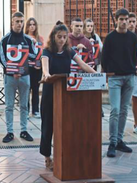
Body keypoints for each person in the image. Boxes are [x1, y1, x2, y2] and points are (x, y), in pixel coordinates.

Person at [40, 21, 96, 170]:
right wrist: (46, 74)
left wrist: (98, 76)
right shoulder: (47, 51)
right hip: (50, 93)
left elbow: (83, 64)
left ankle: (63, 155)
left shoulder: (69, 51)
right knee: (48, 125)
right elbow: (45, 68)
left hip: (65, 93)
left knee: (64, 125)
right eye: (59, 37)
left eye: (65, 37)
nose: (62, 40)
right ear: (53, 37)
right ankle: (47, 156)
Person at [101, 8, 137, 158]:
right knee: (115, 110)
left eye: (126, 19)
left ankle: (119, 140)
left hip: (129, 77)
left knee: (124, 110)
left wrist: (131, 71)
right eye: (121, 19)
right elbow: (104, 59)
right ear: (116, 20)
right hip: (115, 78)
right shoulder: (110, 38)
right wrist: (109, 73)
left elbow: (134, 56)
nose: (124, 22)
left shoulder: (132, 37)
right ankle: (112, 142)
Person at [0, 12, 36, 143]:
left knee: (24, 105)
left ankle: (24, 130)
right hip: (10, 77)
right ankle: (9, 132)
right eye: (17, 21)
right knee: (9, 105)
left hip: (25, 76)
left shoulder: (28, 40)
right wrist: (12, 70)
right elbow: (2, 58)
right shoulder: (5, 40)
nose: (20, 24)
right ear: (12, 22)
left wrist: (31, 49)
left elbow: (34, 56)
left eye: (21, 21)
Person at [84, 18, 104, 117]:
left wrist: (95, 43)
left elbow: (101, 48)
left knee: (96, 87)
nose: (90, 28)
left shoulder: (96, 36)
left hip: (96, 65)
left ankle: (99, 108)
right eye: (88, 26)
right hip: (86, 65)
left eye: (91, 26)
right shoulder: (82, 37)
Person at [24, 17, 44, 119]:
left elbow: (42, 52)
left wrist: (40, 64)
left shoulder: (40, 38)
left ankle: (35, 110)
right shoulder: (24, 38)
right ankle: (26, 111)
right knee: (27, 89)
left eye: (34, 24)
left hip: (38, 67)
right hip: (28, 67)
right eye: (30, 24)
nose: (32, 26)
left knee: (36, 89)